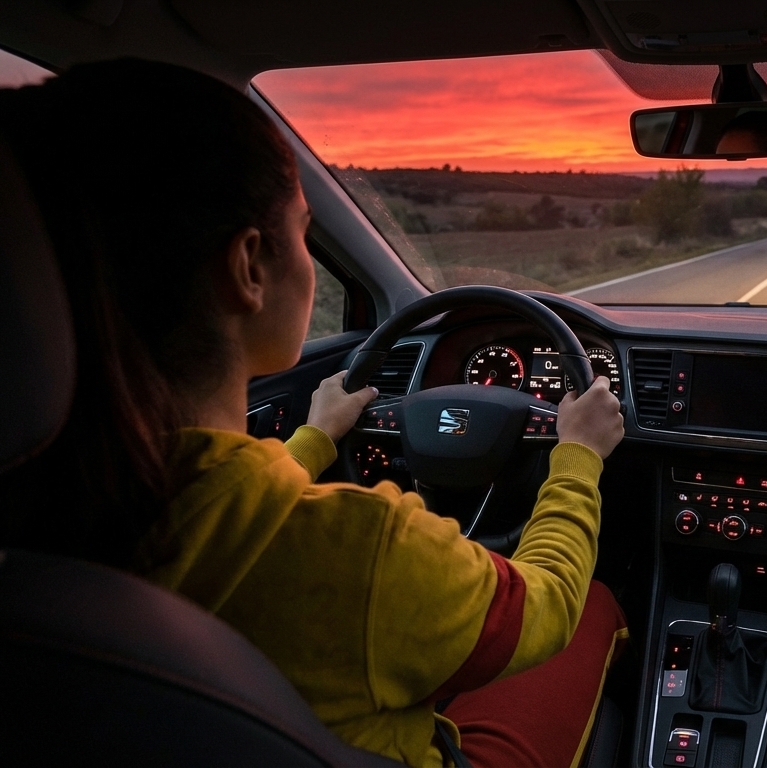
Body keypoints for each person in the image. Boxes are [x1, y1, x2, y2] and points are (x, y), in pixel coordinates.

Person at [0, 59, 627, 768]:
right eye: (304, 232)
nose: (309, 252)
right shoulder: (364, 548)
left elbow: (222, 514)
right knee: (591, 606)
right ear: (249, 269)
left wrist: (313, 437)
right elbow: (542, 607)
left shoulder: (44, 509)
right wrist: (576, 456)